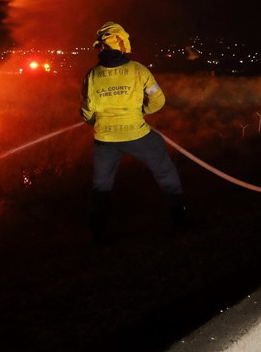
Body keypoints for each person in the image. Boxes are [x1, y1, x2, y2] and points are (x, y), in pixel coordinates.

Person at [80, 21, 191, 242]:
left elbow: (86, 113)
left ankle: (98, 235)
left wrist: (102, 122)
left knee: (101, 186)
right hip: (138, 134)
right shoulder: (139, 70)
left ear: (100, 47)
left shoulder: (91, 76)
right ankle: (181, 219)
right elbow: (158, 100)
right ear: (123, 45)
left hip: (105, 139)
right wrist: (139, 111)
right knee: (166, 172)